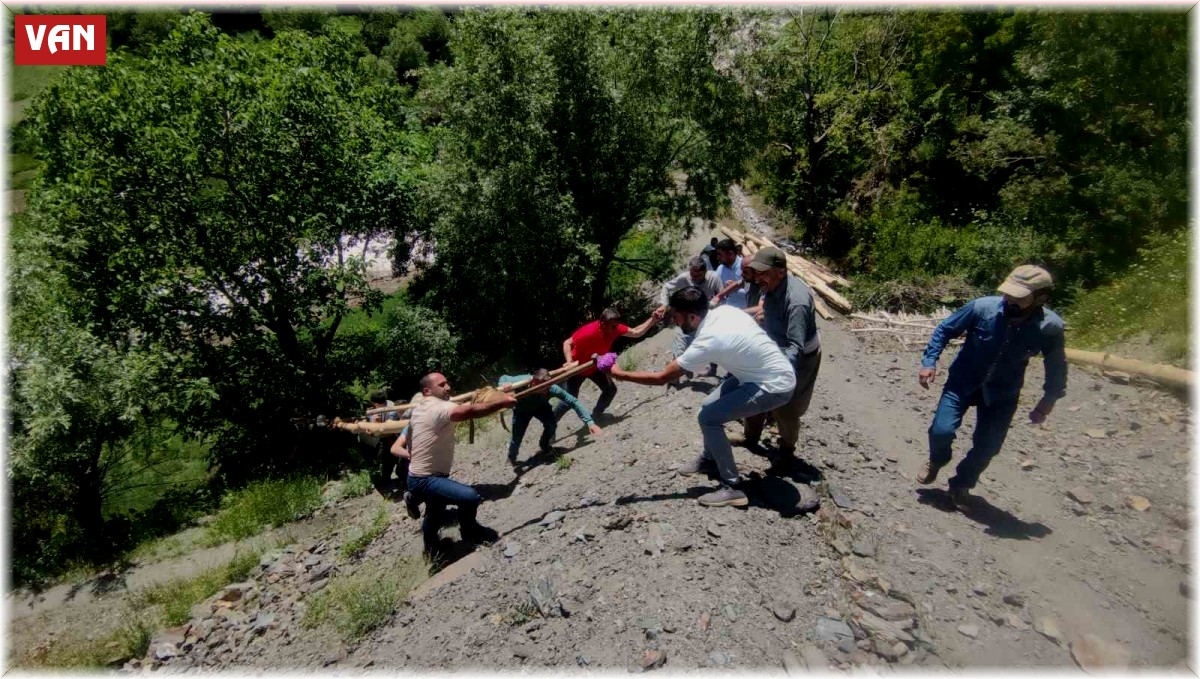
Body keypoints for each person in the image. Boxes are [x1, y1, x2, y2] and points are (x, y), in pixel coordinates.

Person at [608, 287, 796, 507]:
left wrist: (620, 374)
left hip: (774, 386)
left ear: (693, 316)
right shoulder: (725, 311)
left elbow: (662, 378)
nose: (675, 322)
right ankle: (710, 459)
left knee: (708, 418)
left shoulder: (708, 339)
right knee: (707, 406)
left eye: (677, 317)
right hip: (759, 373)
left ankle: (732, 487)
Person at [917, 265, 1068, 509]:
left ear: (1041, 298)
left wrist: (1049, 399)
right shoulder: (981, 308)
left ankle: (961, 484)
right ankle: (937, 460)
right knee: (941, 431)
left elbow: (1056, 365)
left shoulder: (1050, 328)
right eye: (1007, 293)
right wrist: (929, 361)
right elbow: (945, 329)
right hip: (962, 382)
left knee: (988, 447)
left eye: (1018, 297)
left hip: (1002, 394)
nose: (1009, 300)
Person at [406, 372, 517, 556]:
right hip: (426, 479)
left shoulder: (420, 408)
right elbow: (469, 411)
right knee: (469, 497)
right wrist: (503, 402)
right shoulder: (437, 407)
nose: (448, 387)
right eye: (442, 385)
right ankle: (470, 531)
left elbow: (466, 405)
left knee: (435, 512)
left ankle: (432, 549)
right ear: (427, 391)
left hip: (418, 476)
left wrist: (498, 394)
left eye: (447, 383)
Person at [735, 247, 822, 471]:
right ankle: (750, 437)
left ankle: (786, 450)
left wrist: (778, 376)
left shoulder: (797, 301)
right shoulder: (769, 285)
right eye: (756, 272)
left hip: (800, 357)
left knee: (786, 405)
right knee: (753, 391)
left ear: (781, 272)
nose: (757, 278)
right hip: (774, 348)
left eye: (763, 273)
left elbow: (796, 347)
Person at [555, 307, 663, 423]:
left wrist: (653, 320)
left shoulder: (615, 328)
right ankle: (550, 426)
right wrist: (569, 362)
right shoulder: (588, 332)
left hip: (594, 365)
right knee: (568, 402)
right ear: (603, 324)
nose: (616, 329)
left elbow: (636, 332)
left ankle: (596, 415)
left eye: (617, 326)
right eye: (613, 327)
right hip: (577, 370)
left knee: (610, 390)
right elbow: (567, 342)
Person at [499, 369, 603, 465]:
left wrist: (590, 423)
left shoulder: (552, 388)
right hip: (521, 411)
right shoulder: (521, 380)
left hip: (541, 407)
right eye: (543, 388)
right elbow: (503, 378)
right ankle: (512, 456)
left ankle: (544, 445)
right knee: (517, 436)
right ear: (534, 382)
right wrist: (504, 385)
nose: (546, 391)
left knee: (551, 425)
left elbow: (573, 401)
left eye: (548, 387)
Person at [660, 256, 724, 375]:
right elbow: (666, 286)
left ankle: (712, 368)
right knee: (680, 343)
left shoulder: (713, 277)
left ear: (704, 272)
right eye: (692, 275)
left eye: (697, 276)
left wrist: (715, 305)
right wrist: (664, 304)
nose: (693, 279)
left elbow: (722, 295)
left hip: (706, 317)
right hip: (685, 318)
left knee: (711, 343)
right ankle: (677, 376)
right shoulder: (684, 277)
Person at [366, 390, 404, 497]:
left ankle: (402, 478)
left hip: (396, 437)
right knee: (384, 460)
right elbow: (370, 425)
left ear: (374, 402)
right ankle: (386, 483)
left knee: (400, 460)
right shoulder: (373, 410)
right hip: (384, 438)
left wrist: (377, 426)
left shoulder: (392, 408)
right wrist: (372, 426)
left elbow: (389, 429)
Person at [711, 238, 748, 309]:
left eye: (720, 255)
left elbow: (755, 292)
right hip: (726, 309)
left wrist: (735, 288)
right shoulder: (720, 269)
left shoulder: (745, 267)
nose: (718, 258)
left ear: (730, 254)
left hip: (745, 311)